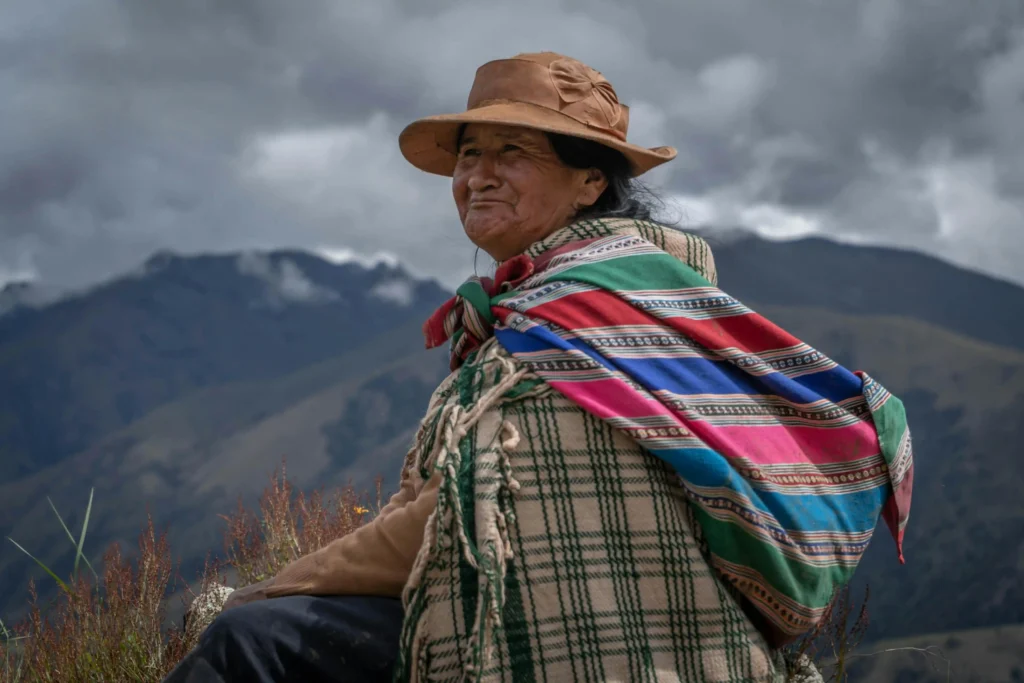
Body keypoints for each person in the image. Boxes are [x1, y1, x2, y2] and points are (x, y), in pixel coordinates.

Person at [164, 51, 913, 683]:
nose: (479, 176)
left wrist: (268, 588)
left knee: (246, 645)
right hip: (637, 622)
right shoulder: (606, 307)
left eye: (512, 153)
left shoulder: (577, 322)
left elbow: (452, 522)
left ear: (590, 183)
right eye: (469, 154)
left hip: (592, 642)